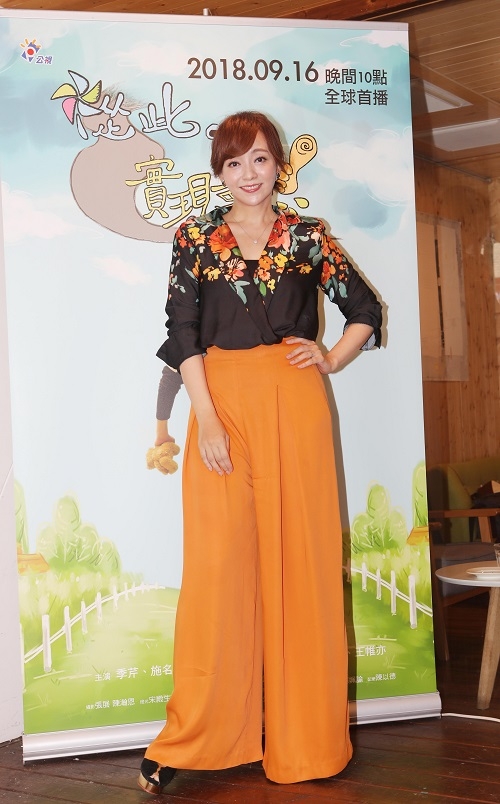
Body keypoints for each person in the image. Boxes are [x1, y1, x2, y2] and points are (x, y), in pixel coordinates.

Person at [138, 110, 382, 794]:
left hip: (294, 406)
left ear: (280, 164)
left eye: (261, 159)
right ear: (219, 171)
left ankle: (306, 741)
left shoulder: (308, 236)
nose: (249, 173)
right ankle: (196, 738)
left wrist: (330, 357)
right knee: (218, 576)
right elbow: (182, 332)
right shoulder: (194, 236)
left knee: (302, 567)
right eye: (234, 162)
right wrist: (207, 419)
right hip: (219, 406)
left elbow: (365, 309)